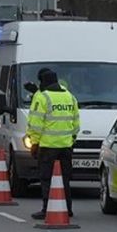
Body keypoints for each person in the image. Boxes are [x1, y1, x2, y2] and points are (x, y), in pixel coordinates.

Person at [26, 69, 80, 220]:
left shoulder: (42, 98)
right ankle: (67, 208)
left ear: (43, 82)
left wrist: (35, 143)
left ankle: (47, 208)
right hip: (66, 146)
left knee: (46, 178)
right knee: (65, 179)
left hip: (48, 146)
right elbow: (76, 124)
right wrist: (70, 140)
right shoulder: (70, 97)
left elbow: (36, 124)